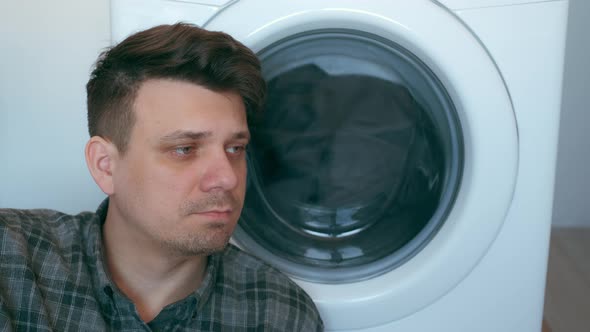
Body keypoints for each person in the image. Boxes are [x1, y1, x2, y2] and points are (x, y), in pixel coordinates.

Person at [0, 23, 324, 331]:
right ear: (105, 166)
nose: (228, 178)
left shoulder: (278, 313)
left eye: (235, 148)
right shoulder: (12, 261)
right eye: (184, 149)